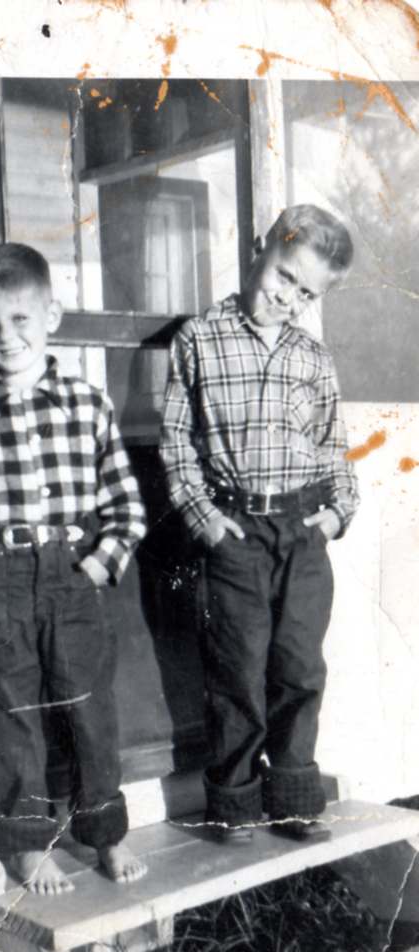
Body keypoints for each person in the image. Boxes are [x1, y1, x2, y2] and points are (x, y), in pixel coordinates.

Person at [0, 242, 148, 894]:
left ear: (51, 316)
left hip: (72, 575)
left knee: (89, 708)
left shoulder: (88, 405)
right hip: (2, 580)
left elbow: (126, 506)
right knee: (13, 712)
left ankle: (104, 830)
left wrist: (97, 568)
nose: (6, 336)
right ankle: (24, 843)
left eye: (20, 319)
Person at [159, 205, 359, 844]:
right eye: (283, 276)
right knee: (238, 670)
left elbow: (333, 445)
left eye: (306, 293)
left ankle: (295, 798)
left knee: (300, 667)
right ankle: (235, 805)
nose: (288, 298)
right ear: (257, 250)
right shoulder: (199, 340)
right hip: (236, 531)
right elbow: (177, 444)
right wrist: (207, 522)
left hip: (302, 529)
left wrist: (338, 512)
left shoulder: (312, 357)